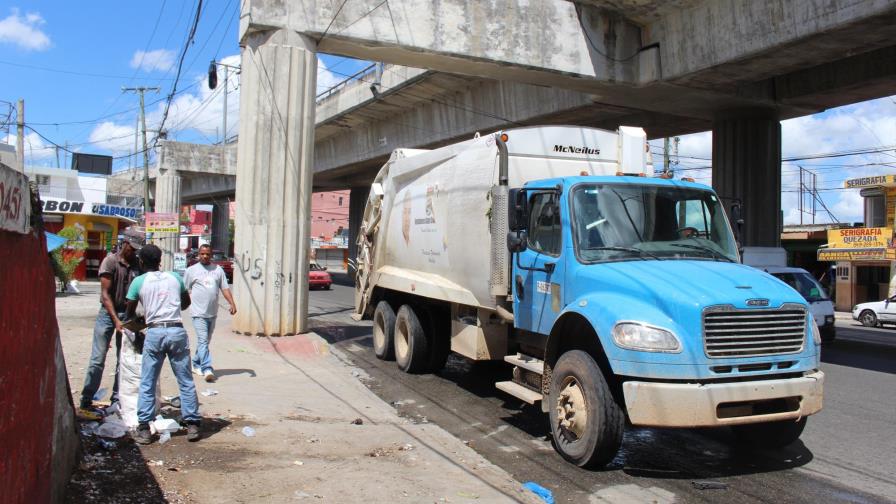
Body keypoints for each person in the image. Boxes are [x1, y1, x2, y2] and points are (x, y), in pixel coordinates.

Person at [125, 244, 202, 444]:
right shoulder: (175, 278)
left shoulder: (138, 282)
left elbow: (129, 312)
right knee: (185, 379)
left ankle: (144, 428)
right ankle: (192, 424)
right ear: (160, 261)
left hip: (155, 332)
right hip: (176, 330)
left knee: (148, 381)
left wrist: (141, 319)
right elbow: (185, 303)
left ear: (141, 262)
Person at [77, 227, 144, 420]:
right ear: (125, 243)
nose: (134, 251)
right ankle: (86, 400)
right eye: (132, 248)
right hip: (108, 315)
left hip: (127, 315)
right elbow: (105, 296)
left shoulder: (137, 264)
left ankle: (117, 399)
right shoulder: (110, 261)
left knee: (122, 360)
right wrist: (116, 320)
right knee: (97, 359)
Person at [184, 244, 236, 382]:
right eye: (202, 254)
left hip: (212, 313)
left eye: (207, 254)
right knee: (202, 340)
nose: (205, 256)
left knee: (205, 342)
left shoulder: (217, 270)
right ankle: (207, 368)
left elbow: (225, 288)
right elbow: (184, 290)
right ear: (198, 254)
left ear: (211, 255)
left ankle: (195, 363)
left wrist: (232, 303)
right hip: (197, 312)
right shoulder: (191, 270)